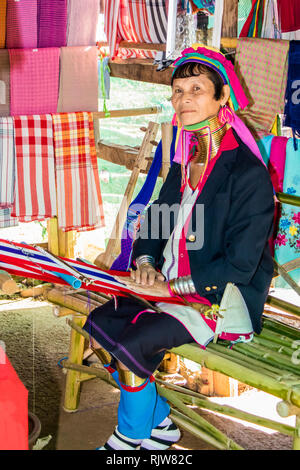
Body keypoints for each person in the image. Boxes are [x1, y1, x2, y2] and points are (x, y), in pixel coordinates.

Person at [85, 44, 275, 451]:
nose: (183, 100)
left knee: (134, 342)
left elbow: (240, 266)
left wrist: (169, 288)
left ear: (223, 97)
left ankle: (130, 436)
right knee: (101, 323)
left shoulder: (247, 173)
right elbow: (157, 217)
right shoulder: (187, 159)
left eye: (197, 90)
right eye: (177, 91)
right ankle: (159, 424)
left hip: (218, 300)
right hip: (168, 286)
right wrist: (148, 261)